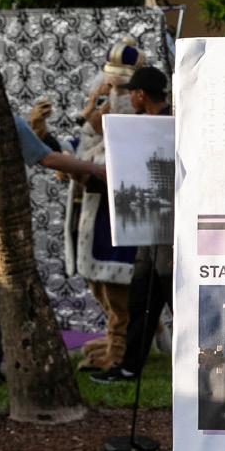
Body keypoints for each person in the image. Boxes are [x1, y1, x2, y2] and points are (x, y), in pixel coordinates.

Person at [0, 113, 107, 383]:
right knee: (18, 292)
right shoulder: (9, 121)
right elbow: (48, 158)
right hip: (4, 227)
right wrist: (94, 168)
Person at [64, 37, 143, 372]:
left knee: (117, 291)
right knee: (100, 288)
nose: (94, 109)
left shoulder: (137, 132)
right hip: (91, 217)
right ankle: (117, 340)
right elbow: (76, 152)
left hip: (116, 223)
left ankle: (119, 349)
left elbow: (106, 174)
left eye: (118, 90)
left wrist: (80, 169)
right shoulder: (93, 136)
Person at [91, 66, 173, 385]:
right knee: (141, 301)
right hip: (146, 227)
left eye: (131, 93)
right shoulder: (146, 125)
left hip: (169, 230)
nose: (129, 99)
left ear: (140, 94)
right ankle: (129, 367)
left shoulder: (171, 125)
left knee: (171, 295)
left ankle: (199, 366)